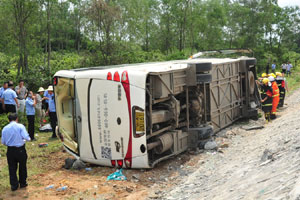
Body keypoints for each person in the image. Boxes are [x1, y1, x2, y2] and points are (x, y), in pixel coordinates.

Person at [1, 113, 31, 191]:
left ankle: (14, 185)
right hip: (20, 149)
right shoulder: (20, 126)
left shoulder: (5, 128)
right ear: (17, 119)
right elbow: (27, 138)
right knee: (22, 167)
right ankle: (23, 183)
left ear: (8, 120)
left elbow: (3, 142)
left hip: (10, 150)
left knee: (12, 168)